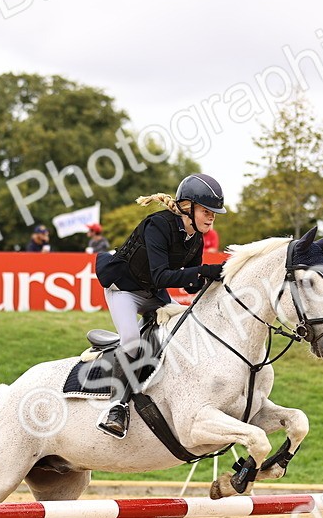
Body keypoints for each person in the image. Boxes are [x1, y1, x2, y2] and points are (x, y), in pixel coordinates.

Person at [93, 173, 226, 438]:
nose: (211, 217)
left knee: (185, 326)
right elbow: (161, 276)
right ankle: (115, 408)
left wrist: (208, 279)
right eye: (206, 211)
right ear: (187, 207)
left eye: (214, 213)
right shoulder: (158, 225)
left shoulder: (195, 238)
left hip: (153, 292)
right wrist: (202, 269)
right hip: (125, 291)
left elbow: (189, 283)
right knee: (131, 340)